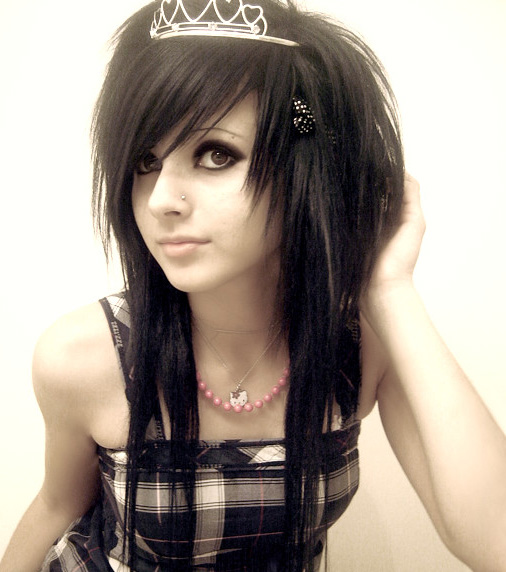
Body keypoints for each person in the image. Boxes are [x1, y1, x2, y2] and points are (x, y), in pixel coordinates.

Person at [1, 0, 505, 570]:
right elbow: (57, 505)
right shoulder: (83, 358)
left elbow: (495, 542)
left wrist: (389, 288)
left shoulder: (358, 346)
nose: (161, 199)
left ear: (305, 171)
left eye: (216, 155)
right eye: (145, 160)